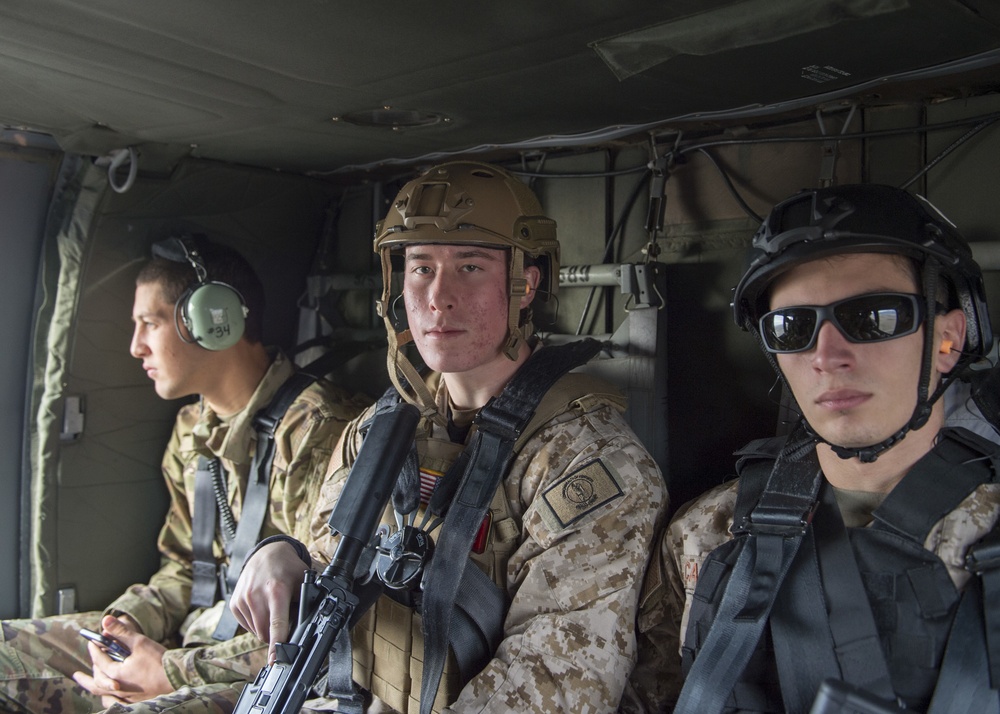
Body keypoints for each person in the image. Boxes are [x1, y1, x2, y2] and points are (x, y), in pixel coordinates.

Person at [229, 160, 667, 713]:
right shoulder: (381, 428)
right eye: (420, 267)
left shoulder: (587, 461)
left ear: (525, 285)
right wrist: (282, 556)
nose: (438, 296)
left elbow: (553, 689)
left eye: (469, 267)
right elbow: (325, 564)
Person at [622, 184, 1000, 713]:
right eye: (791, 327)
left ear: (948, 340)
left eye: (872, 318)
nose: (826, 355)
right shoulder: (707, 533)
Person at [0, 236, 366, 714]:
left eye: (149, 324)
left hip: (272, 668)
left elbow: (320, 623)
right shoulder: (192, 429)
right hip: (189, 642)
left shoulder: (318, 431)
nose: (135, 347)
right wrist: (122, 629)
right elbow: (183, 570)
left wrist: (170, 673)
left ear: (215, 321)